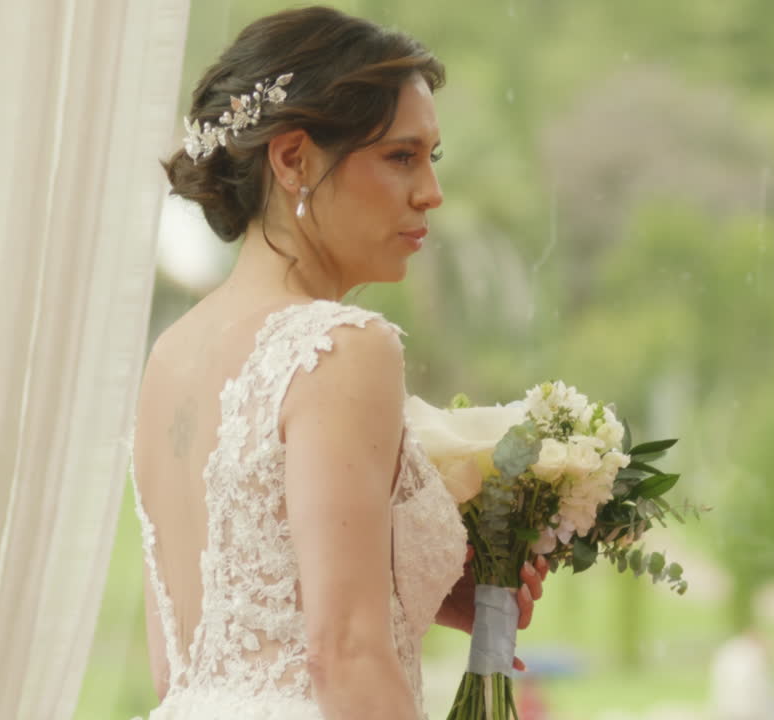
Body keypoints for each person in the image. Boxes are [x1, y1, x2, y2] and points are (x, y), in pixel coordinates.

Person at [129, 7, 547, 719]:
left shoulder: (169, 357)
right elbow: (345, 656)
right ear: (293, 158)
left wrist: (419, 590)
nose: (431, 194)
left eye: (431, 158)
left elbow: (179, 670)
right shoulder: (341, 346)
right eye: (400, 157)